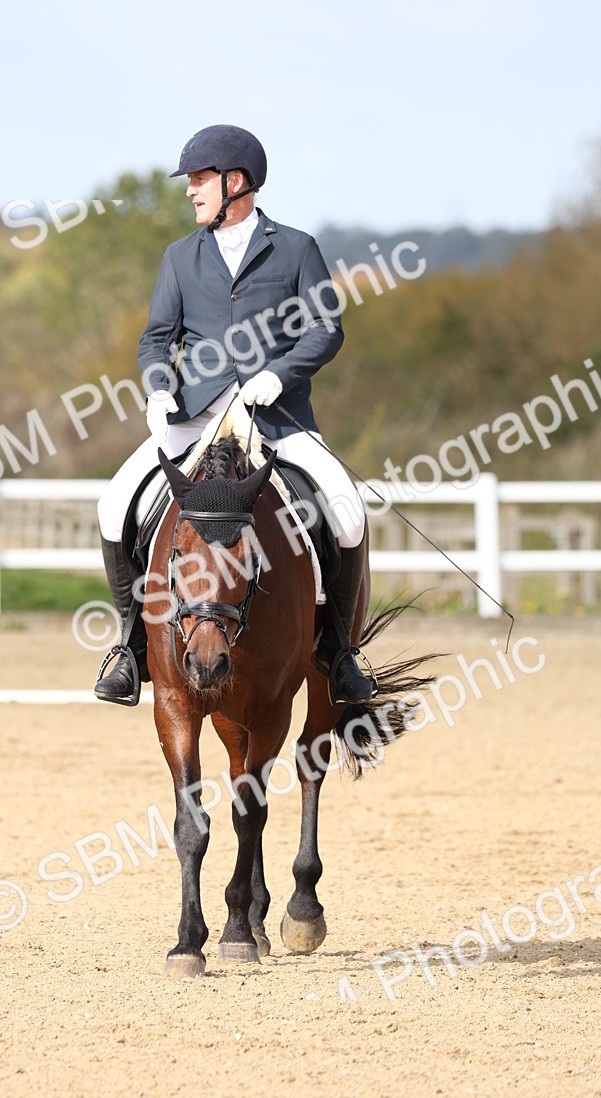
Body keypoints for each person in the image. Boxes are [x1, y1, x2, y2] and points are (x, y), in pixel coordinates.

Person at [94, 124, 374, 706]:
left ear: (235, 182)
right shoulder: (179, 256)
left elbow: (327, 328)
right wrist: (157, 387)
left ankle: (339, 655)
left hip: (273, 416)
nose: (191, 191)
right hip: (193, 417)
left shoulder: (296, 248)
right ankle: (129, 648)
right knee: (114, 502)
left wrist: (280, 374)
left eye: (199, 180)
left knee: (346, 513)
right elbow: (155, 339)